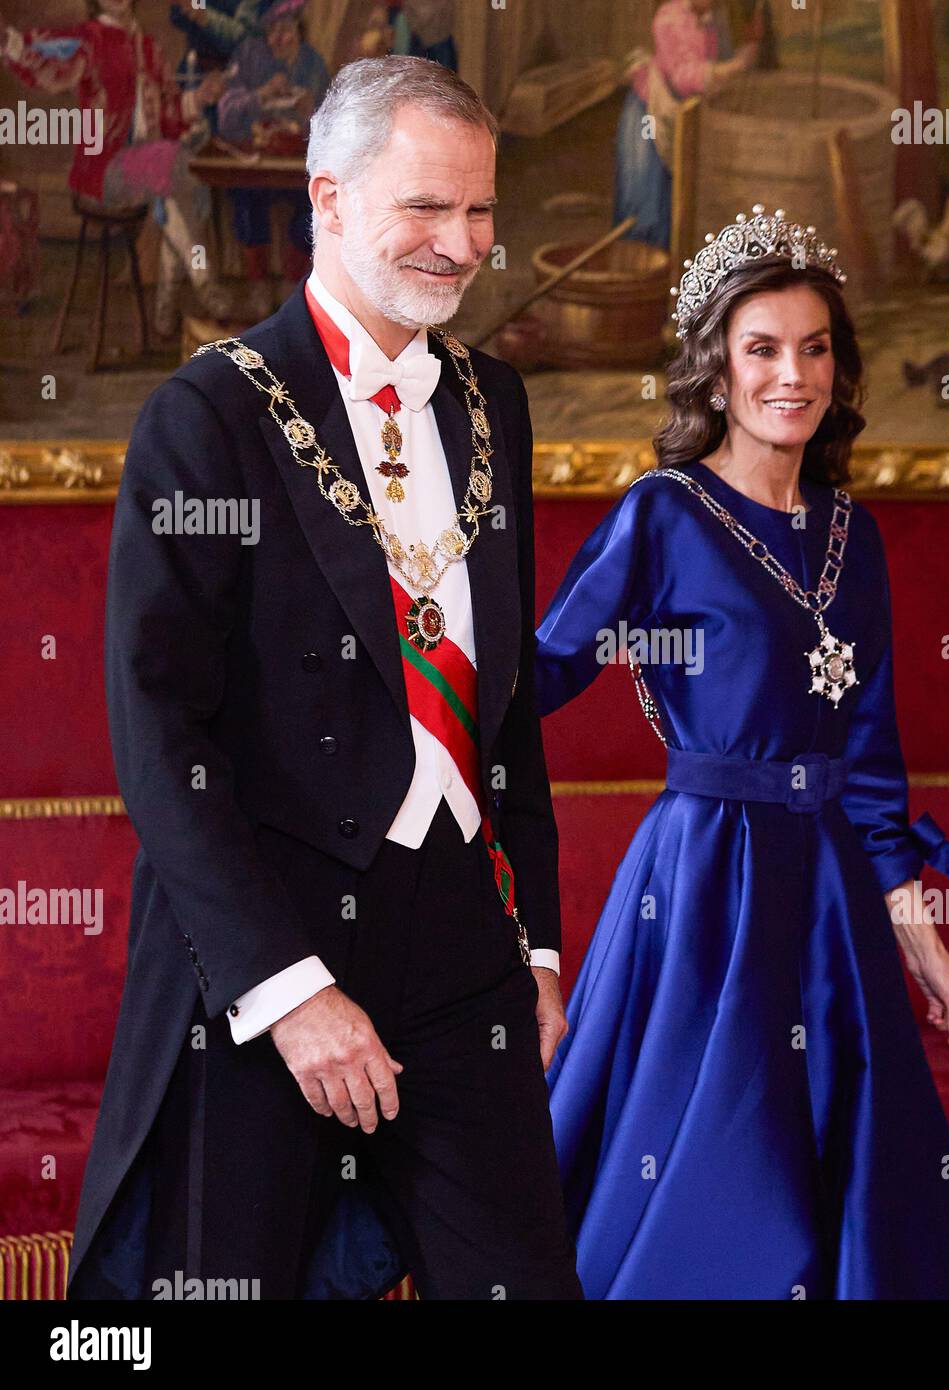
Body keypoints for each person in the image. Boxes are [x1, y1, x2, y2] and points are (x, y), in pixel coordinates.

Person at [68, 56, 581, 1301]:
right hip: (270, 948)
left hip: (462, 944)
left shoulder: (491, 403)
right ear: (330, 200)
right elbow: (158, 728)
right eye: (426, 207)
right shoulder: (208, 417)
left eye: (478, 211)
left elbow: (500, 700)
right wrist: (288, 990)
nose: (460, 245)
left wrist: (539, 945)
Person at [534, 205, 949, 1299]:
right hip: (700, 886)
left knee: (852, 1173)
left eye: (815, 347)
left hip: (832, 888)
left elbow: (873, 762)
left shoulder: (854, 532)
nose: (792, 373)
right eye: (761, 349)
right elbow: (530, 680)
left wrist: (925, 945)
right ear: (716, 371)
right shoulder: (663, 516)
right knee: (721, 1168)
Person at [0, 0, 233, 336]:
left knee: (178, 186)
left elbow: (170, 113)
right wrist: (11, 43)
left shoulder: (149, 47)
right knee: (175, 169)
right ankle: (206, 286)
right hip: (102, 171)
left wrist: (198, 98)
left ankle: (167, 312)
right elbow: (50, 71)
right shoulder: (89, 40)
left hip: (149, 168)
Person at [615, 0, 759, 248]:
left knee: (674, 190)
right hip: (649, 113)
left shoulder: (711, 18)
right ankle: (639, 262)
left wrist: (738, 59)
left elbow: (715, 61)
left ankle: (663, 262)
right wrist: (735, 66)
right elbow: (683, 76)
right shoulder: (669, 17)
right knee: (645, 188)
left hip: (678, 114)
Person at [217, 0, 329, 316]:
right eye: (272, 32)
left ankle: (296, 288)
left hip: (299, 169)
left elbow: (333, 127)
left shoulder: (314, 66)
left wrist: (310, 113)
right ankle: (259, 287)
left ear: (299, 30)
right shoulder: (250, 58)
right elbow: (226, 116)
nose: (277, 40)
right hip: (259, 164)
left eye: (285, 31)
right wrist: (260, 96)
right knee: (245, 196)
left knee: (314, 205)